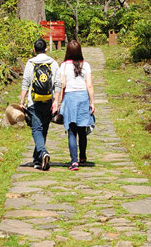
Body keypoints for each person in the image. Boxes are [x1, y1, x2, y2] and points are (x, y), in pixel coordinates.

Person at [19, 37, 61, 170]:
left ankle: (42, 152)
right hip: (48, 100)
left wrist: (21, 102)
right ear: (46, 49)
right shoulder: (53, 63)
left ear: (34, 49)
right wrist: (56, 101)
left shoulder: (30, 63)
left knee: (36, 129)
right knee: (44, 129)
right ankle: (38, 160)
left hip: (33, 102)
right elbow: (58, 83)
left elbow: (26, 83)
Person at [59, 39, 95, 171]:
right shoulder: (86, 65)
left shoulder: (63, 66)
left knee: (71, 131)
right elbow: (89, 85)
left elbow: (62, 84)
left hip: (70, 98)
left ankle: (74, 162)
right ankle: (83, 157)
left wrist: (57, 100)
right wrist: (92, 102)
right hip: (83, 98)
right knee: (82, 130)